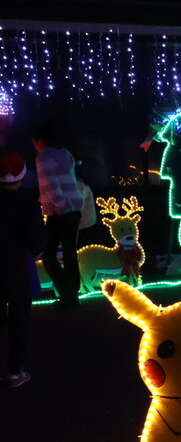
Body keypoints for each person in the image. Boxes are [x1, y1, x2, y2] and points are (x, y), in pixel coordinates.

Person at [0, 149, 45, 387]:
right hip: (18, 269)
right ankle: (14, 372)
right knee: (19, 321)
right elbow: (37, 240)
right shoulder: (27, 203)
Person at [32, 123, 84, 308]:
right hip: (75, 209)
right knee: (70, 253)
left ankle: (68, 297)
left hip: (59, 211)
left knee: (48, 256)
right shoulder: (65, 153)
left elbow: (50, 183)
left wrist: (59, 206)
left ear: (39, 141)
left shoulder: (43, 157)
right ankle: (73, 295)